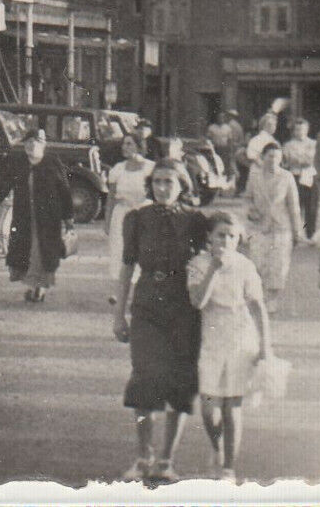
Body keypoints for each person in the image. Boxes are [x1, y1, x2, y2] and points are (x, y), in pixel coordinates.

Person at [114, 163, 210, 483]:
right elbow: (127, 268)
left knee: (180, 381)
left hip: (184, 306)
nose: (162, 187)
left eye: (169, 181)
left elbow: (215, 256)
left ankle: (166, 460)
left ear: (182, 185)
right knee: (144, 376)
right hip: (147, 305)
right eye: (156, 182)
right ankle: (143, 457)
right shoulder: (137, 220)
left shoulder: (196, 221)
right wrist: (118, 314)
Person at [188, 211, 273, 482]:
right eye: (220, 235)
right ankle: (218, 447)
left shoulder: (245, 266)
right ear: (209, 237)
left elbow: (258, 308)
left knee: (232, 406)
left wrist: (265, 347)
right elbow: (198, 302)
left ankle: (228, 468)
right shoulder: (199, 264)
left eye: (232, 236)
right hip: (211, 338)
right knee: (210, 409)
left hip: (240, 337)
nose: (225, 240)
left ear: (238, 240)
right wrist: (214, 267)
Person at [0, 130, 74, 303]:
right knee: (27, 251)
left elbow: (64, 190)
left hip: (48, 218)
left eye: (35, 141)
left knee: (41, 252)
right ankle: (34, 286)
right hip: (24, 217)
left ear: (43, 143)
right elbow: (5, 185)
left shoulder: (52, 162)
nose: (30, 145)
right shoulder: (19, 162)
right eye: (27, 142)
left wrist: (68, 218)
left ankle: (38, 287)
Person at [243, 141, 303, 314]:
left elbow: (294, 206)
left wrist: (297, 230)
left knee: (278, 265)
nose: (273, 160)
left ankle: (272, 299)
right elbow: (247, 198)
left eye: (277, 157)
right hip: (258, 226)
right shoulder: (254, 176)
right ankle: (259, 297)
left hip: (281, 227)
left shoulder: (287, 177)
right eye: (270, 156)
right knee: (258, 263)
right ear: (263, 157)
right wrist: (250, 211)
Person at [106, 135, 156, 286]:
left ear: (139, 146)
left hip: (144, 213)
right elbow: (111, 197)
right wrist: (107, 220)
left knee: (143, 250)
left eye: (129, 144)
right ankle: (121, 288)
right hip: (122, 214)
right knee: (120, 251)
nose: (125, 147)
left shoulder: (150, 168)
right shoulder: (118, 169)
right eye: (123, 144)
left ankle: (141, 286)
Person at [282, 118, 320, 239]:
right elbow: (287, 160)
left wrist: (299, 160)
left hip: (309, 176)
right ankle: (296, 234)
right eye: (298, 129)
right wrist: (301, 160)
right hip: (295, 175)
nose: (300, 132)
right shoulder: (288, 145)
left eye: (303, 129)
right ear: (294, 131)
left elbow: (312, 159)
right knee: (295, 205)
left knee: (311, 207)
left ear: (307, 130)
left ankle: (310, 234)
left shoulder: (313, 144)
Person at [243, 115, 278, 186]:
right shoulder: (256, 139)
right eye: (273, 125)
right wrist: (264, 167)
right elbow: (252, 156)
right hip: (259, 171)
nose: (275, 127)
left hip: (271, 172)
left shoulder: (273, 140)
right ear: (265, 125)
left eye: (275, 124)